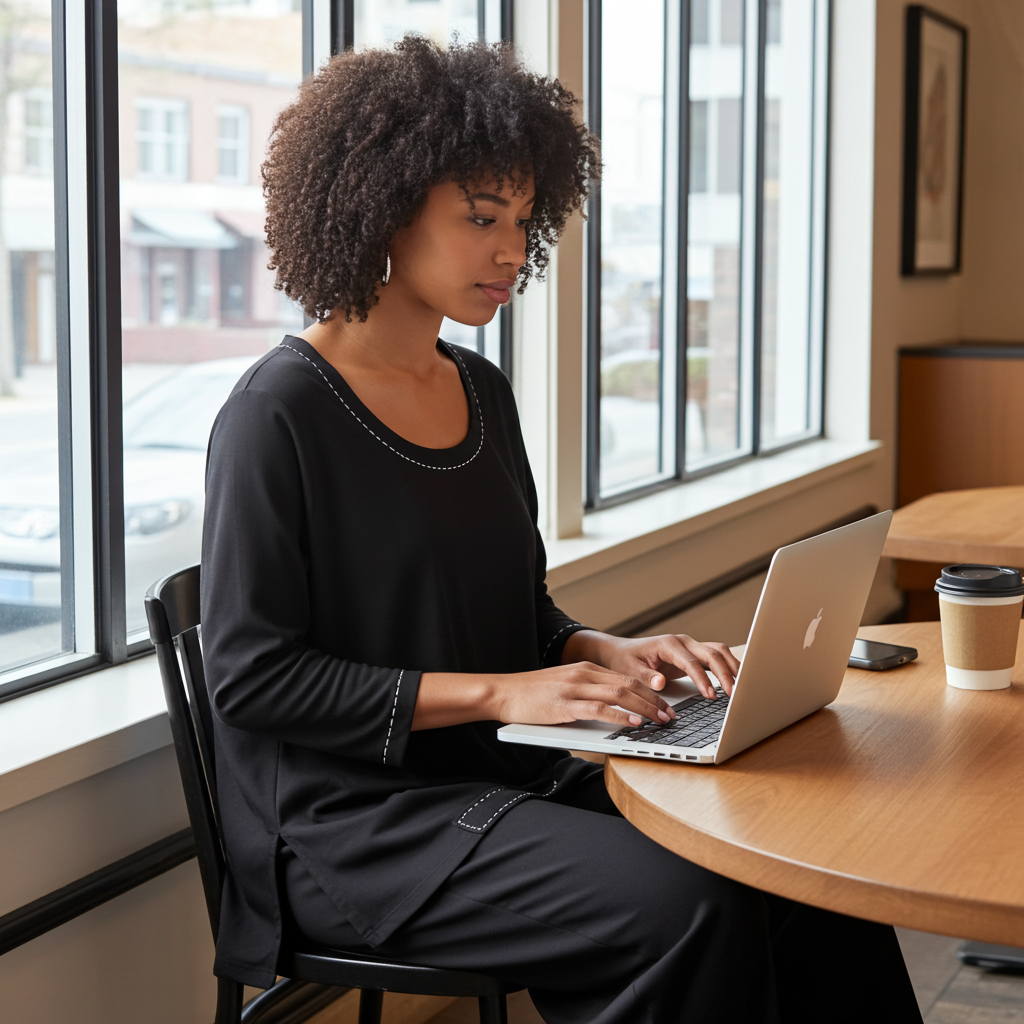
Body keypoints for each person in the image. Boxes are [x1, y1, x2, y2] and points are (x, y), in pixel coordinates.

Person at [200, 35, 923, 1024]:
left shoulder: (481, 393)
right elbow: (251, 674)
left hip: (501, 769)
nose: (510, 252)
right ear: (382, 200)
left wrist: (601, 651)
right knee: (688, 901)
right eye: (480, 218)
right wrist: (511, 688)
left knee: (799, 866)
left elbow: (513, 609)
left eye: (524, 222)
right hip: (352, 828)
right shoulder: (276, 412)